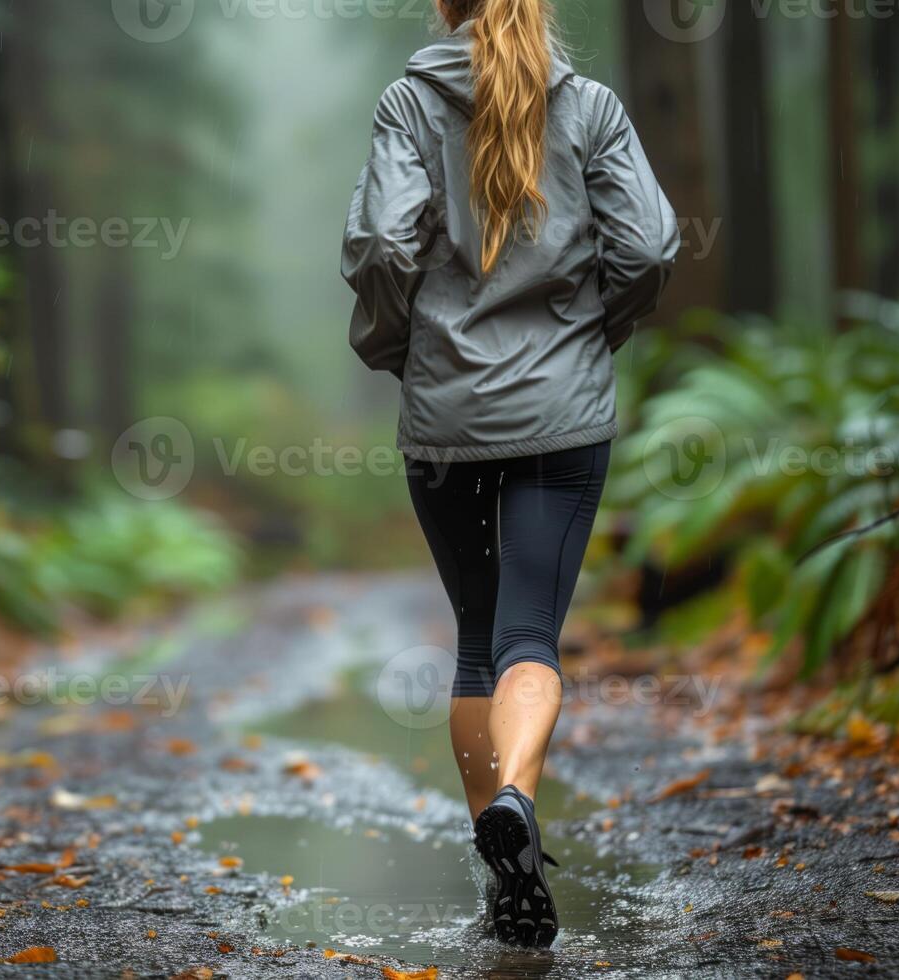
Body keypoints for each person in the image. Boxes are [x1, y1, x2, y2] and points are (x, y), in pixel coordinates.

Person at [340, 0, 678, 949]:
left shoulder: (408, 104)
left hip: (444, 417)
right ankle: (518, 802)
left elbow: (379, 246)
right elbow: (648, 247)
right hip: (561, 418)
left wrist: (397, 349)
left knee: (477, 640)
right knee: (530, 631)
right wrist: (591, 337)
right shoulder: (593, 108)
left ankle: (502, 879)